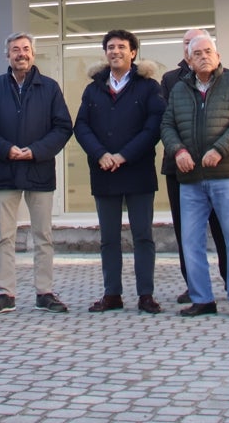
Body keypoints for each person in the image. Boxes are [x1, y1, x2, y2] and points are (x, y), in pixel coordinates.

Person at [0, 32, 73, 315]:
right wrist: (6, 149)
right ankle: (6, 293)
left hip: (39, 169)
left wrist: (36, 151)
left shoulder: (50, 87)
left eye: (26, 49)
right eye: (15, 49)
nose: (21, 53)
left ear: (33, 53)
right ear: (7, 55)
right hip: (5, 169)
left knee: (43, 235)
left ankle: (45, 292)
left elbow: (63, 127)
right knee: (5, 235)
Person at [161, 34, 229, 318]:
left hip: (227, 175)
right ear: (188, 60)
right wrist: (178, 151)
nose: (204, 56)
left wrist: (219, 149)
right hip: (190, 179)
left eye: (208, 51)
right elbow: (167, 125)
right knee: (190, 240)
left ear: (217, 55)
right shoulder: (179, 90)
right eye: (197, 53)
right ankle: (202, 298)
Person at [75, 29, 165, 314]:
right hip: (104, 172)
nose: (115, 51)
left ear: (133, 52)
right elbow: (82, 127)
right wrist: (101, 154)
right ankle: (112, 294)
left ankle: (146, 295)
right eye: (110, 47)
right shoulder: (93, 89)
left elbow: (154, 128)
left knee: (143, 236)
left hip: (137, 171)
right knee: (109, 238)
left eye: (121, 47)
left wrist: (124, 155)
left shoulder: (149, 87)